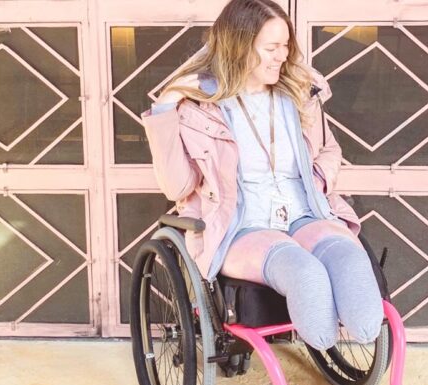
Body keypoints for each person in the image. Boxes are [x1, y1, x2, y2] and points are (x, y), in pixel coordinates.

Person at [141, 0, 383, 350]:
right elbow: (177, 187)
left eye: (285, 46)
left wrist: (318, 180)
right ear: (239, 46)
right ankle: (318, 333)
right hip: (242, 225)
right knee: (305, 273)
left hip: (304, 212)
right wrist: (166, 107)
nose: (282, 56)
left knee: (349, 259)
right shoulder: (201, 111)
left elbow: (330, 150)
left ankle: (352, 327)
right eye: (271, 48)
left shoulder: (299, 94)